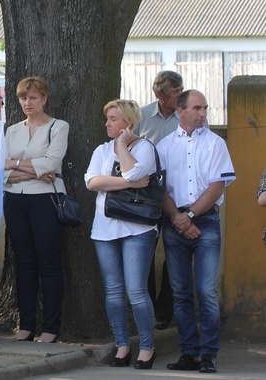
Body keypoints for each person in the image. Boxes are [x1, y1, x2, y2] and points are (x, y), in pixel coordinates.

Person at [158, 89, 235, 374]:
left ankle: (209, 353)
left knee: (206, 290)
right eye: (197, 108)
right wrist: (177, 218)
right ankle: (188, 352)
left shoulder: (216, 143)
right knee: (181, 292)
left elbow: (217, 185)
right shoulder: (165, 146)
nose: (203, 113)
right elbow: (161, 188)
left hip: (205, 221)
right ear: (181, 111)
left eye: (205, 108)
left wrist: (188, 216)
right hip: (174, 221)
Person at [85, 99, 158, 369]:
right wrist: (130, 183)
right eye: (107, 119)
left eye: (113, 119)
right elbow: (92, 182)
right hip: (104, 230)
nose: (107, 123)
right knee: (113, 291)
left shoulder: (146, 147)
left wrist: (123, 146)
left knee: (137, 291)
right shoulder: (102, 150)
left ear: (128, 122)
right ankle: (122, 345)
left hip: (138, 229)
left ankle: (147, 347)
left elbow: (135, 170)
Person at [2, 77, 67, 343]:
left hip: (45, 201)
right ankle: (26, 325)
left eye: (32, 98)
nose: (27, 103)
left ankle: (50, 328)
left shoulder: (58, 126)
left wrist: (16, 165)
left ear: (44, 98)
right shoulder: (12, 130)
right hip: (15, 199)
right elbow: (2, 171)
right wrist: (32, 169)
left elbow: (52, 162)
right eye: (23, 98)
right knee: (24, 263)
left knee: (49, 264)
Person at [136, 70, 183, 330]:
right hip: (148, 196)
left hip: (179, 195)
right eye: (174, 93)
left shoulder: (188, 115)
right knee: (144, 251)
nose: (179, 97)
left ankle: (165, 311)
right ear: (159, 95)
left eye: (180, 91)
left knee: (174, 254)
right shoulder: (141, 116)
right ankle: (147, 310)